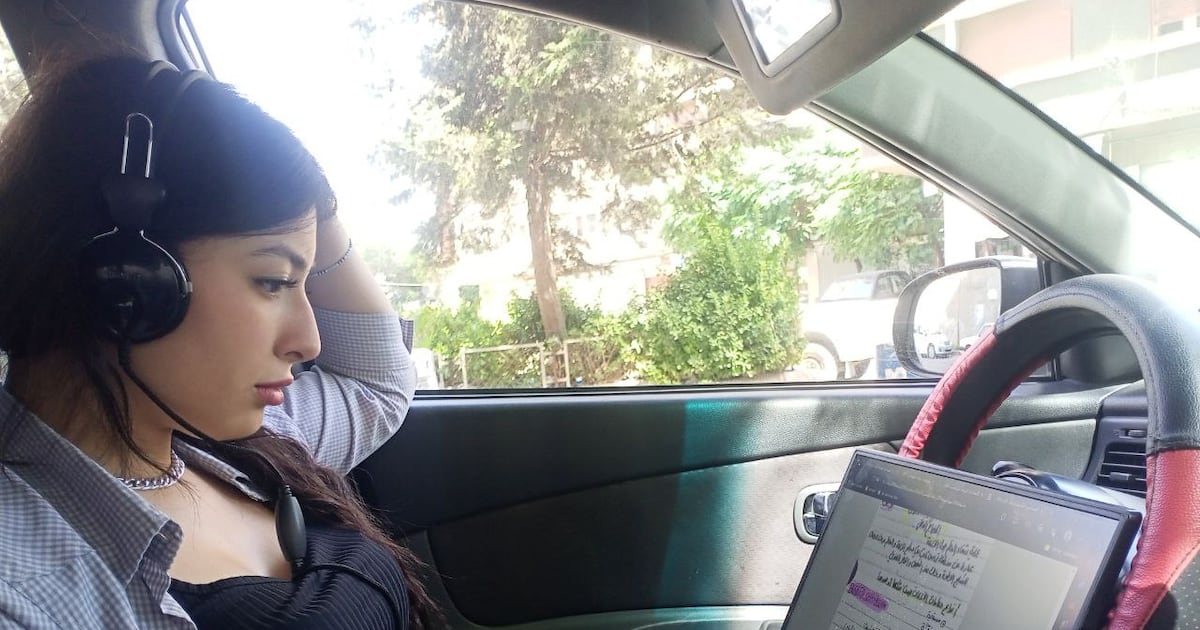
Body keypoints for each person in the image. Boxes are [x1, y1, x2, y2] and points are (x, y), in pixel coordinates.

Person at [0, 55, 436, 629]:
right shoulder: (23, 592)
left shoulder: (228, 436)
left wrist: (309, 198)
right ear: (125, 279)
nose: (308, 341)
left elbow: (379, 380)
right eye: (273, 281)